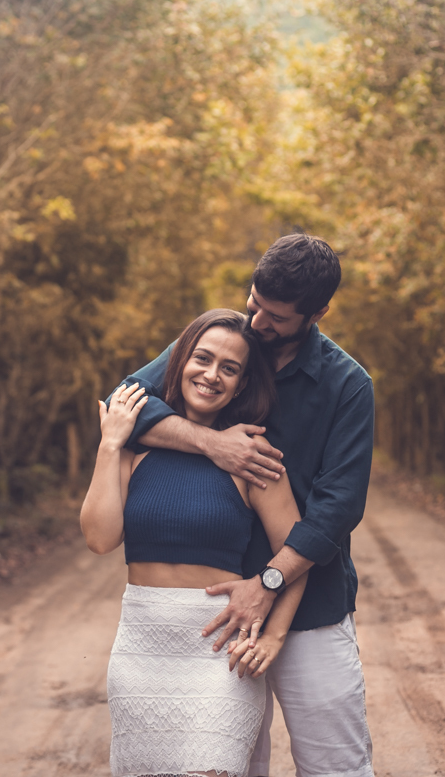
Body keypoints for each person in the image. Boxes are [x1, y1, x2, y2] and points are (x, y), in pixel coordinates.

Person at [117, 234, 375, 777]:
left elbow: (338, 508)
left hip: (310, 608)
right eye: (255, 301)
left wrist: (269, 583)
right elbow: (126, 404)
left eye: (276, 317)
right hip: (216, 614)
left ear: (317, 313)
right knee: (231, 766)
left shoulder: (347, 384)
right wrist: (211, 442)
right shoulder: (228, 340)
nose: (258, 322)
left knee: (336, 767)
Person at [81, 308, 309, 777]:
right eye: (202, 359)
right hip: (140, 653)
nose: (211, 375)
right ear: (180, 361)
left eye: (230, 368)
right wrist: (110, 444)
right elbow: (100, 538)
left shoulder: (250, 458)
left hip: (218, 655)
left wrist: (273, 635)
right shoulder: (134, 449)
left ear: (243, 384)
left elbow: (298, 554)